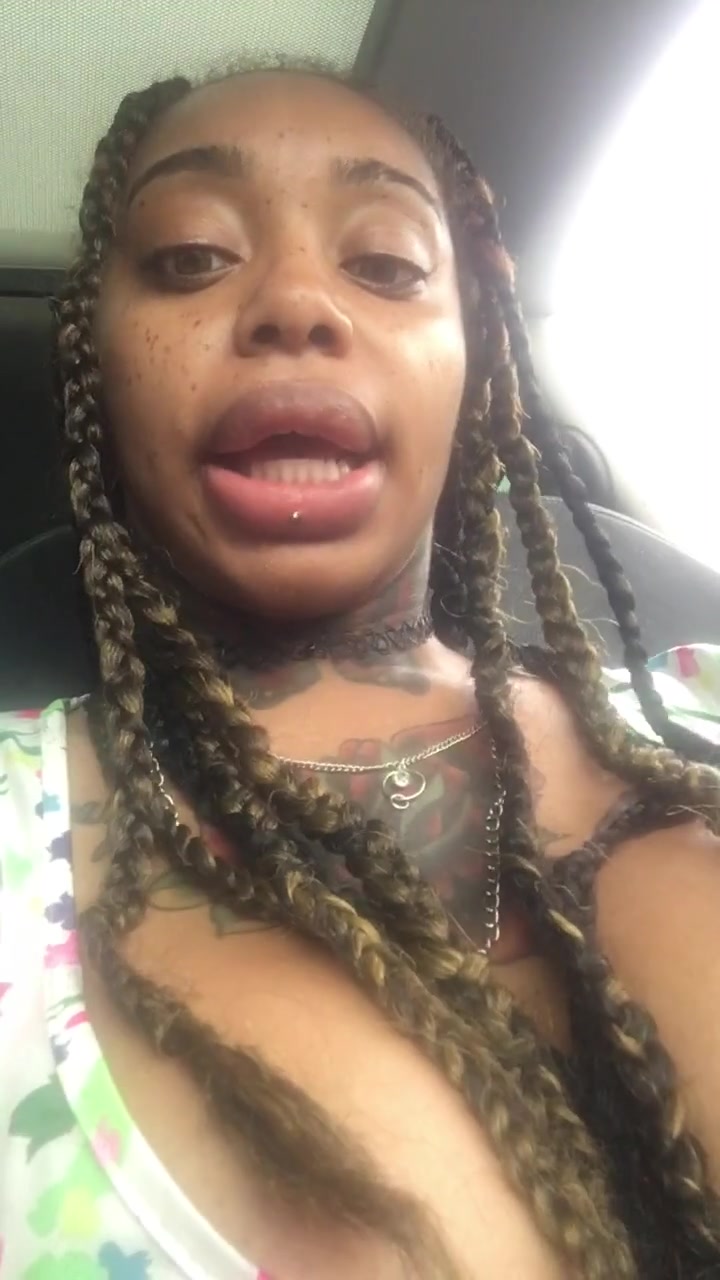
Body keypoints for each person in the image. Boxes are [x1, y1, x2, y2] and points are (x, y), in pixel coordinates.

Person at [2, 57, 720, 1280]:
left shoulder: (692, 705)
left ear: (475, 343)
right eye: (190, 254)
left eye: (385, 262)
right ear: (96, 360)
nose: (294, 302)